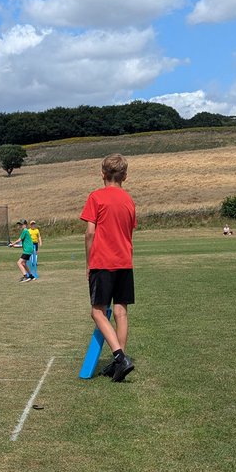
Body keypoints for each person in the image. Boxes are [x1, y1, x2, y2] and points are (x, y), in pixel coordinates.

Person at [81, 154, 136, 383]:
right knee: (121, 311)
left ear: (102, 174)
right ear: (125, 176)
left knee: (97, 311)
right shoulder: (129, 200)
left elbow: (90, 233)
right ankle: (118, 365)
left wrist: (88, 263)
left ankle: (119, 357)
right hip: (125, 262)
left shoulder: (96, 197)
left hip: (103, 262)